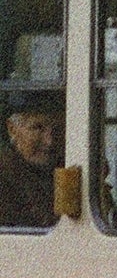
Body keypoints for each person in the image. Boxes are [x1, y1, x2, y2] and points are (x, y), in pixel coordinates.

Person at [0, 92, 59, 230]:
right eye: (37, 128)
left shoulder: (58, 167)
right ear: (12, 129)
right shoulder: (5, 175)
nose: (49, 141)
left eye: (54, 129)